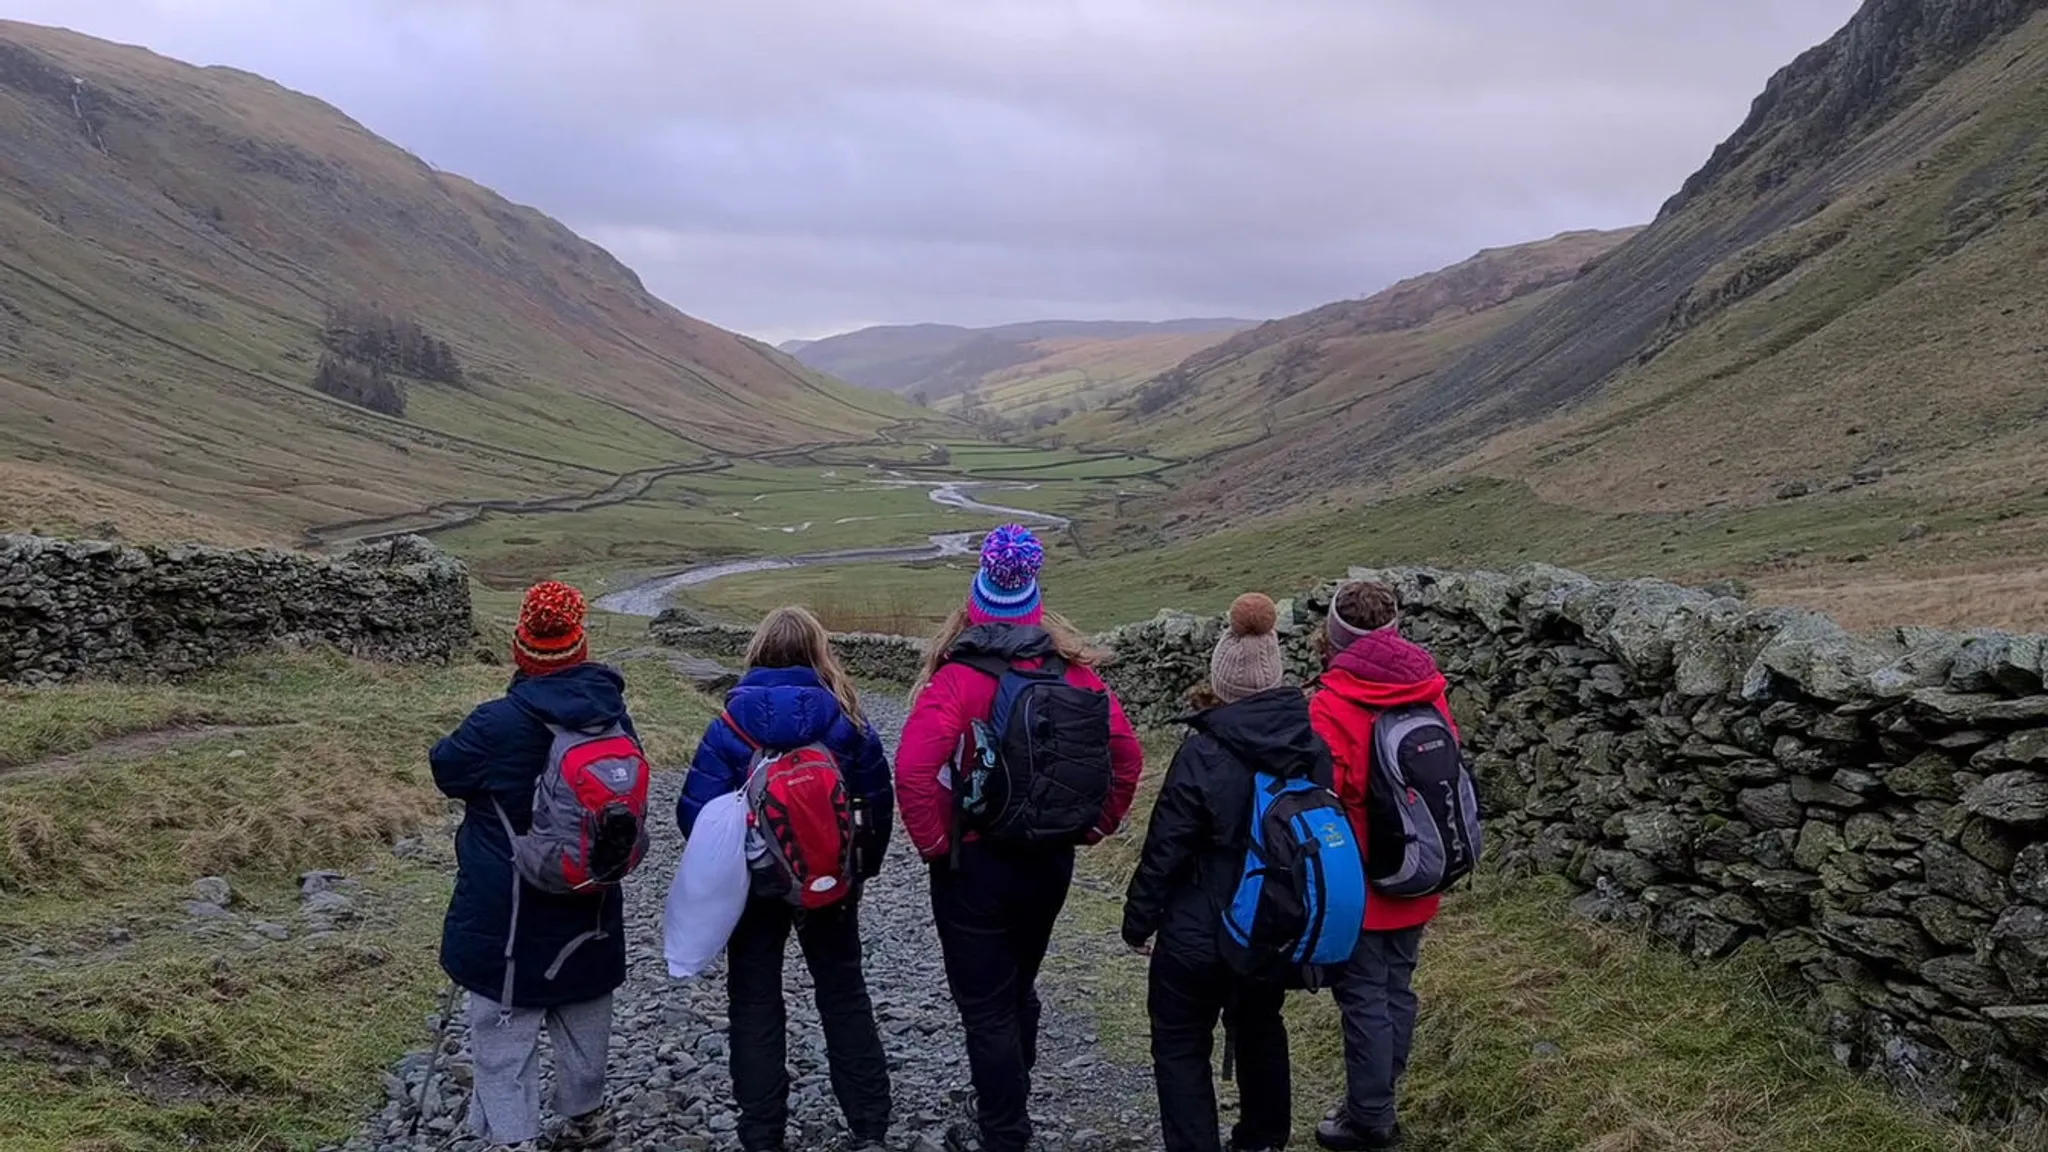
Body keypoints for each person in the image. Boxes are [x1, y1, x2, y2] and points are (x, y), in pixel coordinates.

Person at [896, 524, 1145, 1152]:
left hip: (975, 864)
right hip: (1050, 858)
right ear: (1034, 601)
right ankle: (1013, 1085)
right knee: (1018, 984)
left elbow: (914, 769)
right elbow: (1127, 753)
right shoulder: (1079, 676)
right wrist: (1097, 823)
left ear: (976, 600)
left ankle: (1005, 1129)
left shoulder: (956, 678)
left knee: (984, 1005)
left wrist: (934, 844)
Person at [677, 606, 896, 1152]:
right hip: (830, 883)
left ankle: (762, 1132)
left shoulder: (728, 724)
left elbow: (692, 815)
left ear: (757, 652)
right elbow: (878, 803)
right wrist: (859, 869)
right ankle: (869, 1123)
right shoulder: (847, 721)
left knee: (754, 1001)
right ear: (819, 654)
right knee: (843, 993)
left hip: (752, 886)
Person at [1122, 593, 1329, 1152]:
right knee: (1262, 1027)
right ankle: (1262, 1140)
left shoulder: (1202, 751)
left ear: (1221, 678)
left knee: (1180, 1043)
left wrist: (1138, 922)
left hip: (1198, 930)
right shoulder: (1311, 745)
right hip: (1272, 924)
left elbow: (1166, 847)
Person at [431, 580, 631, 1151]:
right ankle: (585, 1118)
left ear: (522, 646)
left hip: (507, 907)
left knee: (503, 1036)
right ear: (580, 646)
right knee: (585, 1010)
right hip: (588, 897)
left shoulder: (494, 724)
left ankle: (514, 1138)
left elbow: (446, 769)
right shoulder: (613, 717)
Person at [1309, 580, 1453, 1152]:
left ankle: (1370, 1119)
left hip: (1363, 878)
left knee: (1364, 994)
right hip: (1422, 866)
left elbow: (1329, 789)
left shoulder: (1333, 701)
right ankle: (1379, 1094)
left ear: (1336, 635)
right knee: (1398, 986)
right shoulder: (1430, 690)